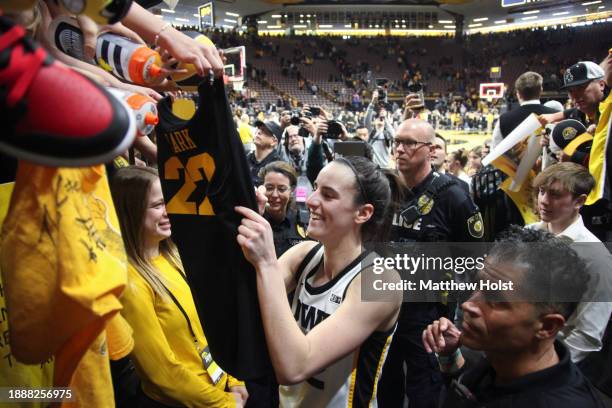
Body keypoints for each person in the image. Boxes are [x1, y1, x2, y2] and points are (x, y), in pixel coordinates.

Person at [235, 156, 402, 407]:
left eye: (328, 195)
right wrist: (250, 221)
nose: (311, 201)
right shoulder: (304, 254)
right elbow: (240, 303)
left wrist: (267, 262)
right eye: (315, 188)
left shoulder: (379, 280)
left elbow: (294, 367)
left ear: (363, 213)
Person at [110, 166, 248, 408]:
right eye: (156, 205)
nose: (168, 212)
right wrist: (224, 403)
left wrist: (233, 380)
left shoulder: (174, 256)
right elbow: (161, 373)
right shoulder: (130, 283)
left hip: (216, 389)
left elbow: (207, 330)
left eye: (167, 202)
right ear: (131, 211)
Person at [422, 226, 605, 408]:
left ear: (547, 326)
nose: (468, 305)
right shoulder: (502, 363)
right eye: (478, 286)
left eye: (495, 299)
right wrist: (450, 356)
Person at [378, 118, 483, 408]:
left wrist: (456, 313)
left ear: (430, 149)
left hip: (427, 313)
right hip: (382, 307)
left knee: (425, 388)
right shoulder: (385, 189)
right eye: (397, 142)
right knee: (384, 383)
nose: (400, 149)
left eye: (409, 143)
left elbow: (473, 260)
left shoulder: (454, 195)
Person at [526, 163, 612, 365]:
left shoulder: (595, 256)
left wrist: (548, 367)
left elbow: (588, 333)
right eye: (542, 191)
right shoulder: (528, 233)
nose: (544, 201)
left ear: (579, 201)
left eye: (555, 195)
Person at [258, 161, 307, 257]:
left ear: (292, 191)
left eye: (281, 189)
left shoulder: (303, 221)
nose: (275, 195)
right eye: (269, 188)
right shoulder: (255, 219)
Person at [247, 121, 283, 186]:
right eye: (259, 128)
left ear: (274, 141)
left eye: (264, 131)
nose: (259, 132)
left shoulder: (278, 166)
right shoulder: (246, 158)